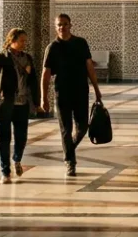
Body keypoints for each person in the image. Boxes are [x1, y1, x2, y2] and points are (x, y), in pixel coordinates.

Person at [41, 13, 101, 177]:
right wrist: (43, 96)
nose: (62, 27)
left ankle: (68, 150)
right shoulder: (52, 48)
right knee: (65, 129)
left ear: (70, 25)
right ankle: (70, 162)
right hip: (62, 93)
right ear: (56, 27)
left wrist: (97, 90)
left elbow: (89, 67)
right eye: (59, 24)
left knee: (82, 127)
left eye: (65, 24)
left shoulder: (80, 43)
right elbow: (45, 74)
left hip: (81, 91)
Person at [0, 28, 36, 183]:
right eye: (21, 40)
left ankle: (17, 159)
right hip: (5, 105)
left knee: (22, 137)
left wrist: (38, 102)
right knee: (5, 138)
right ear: (12, 40)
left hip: (22, 104)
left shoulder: (27, 58)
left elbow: (33, 81)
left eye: (25, 40)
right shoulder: (0, 59)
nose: (24, 43)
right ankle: (5, 171)